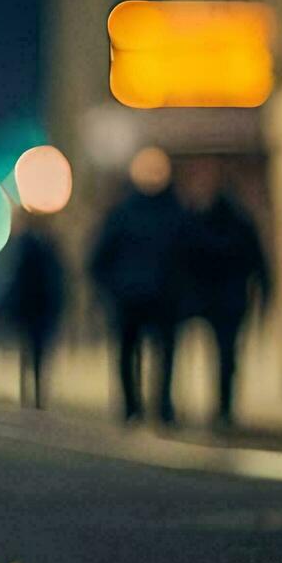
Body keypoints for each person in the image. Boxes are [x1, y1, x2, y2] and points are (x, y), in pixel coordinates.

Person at [89, 148, 190, 425]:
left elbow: (189, 255)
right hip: (132, 298)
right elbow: (100, 257)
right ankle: (134, 406)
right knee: (131, 354)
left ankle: (158, 406)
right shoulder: (127, 212)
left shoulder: (172, 212)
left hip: (159, 297)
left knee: (160, 355)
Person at [184, 186, 268, 430]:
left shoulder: (203, 223)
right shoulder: (240, 225)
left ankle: (222, 405)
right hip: (232, 300)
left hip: (214, 300)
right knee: (227, 353)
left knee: (221, 352)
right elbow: (258, 262)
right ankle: (224, 405)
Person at [0, 212, 66, 409]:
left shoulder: (29, 245)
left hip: (37, 306)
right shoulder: (40, 244)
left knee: (34, 351)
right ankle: (34, 394)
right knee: (35, 350)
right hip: (35, 306)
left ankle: (33, 394)